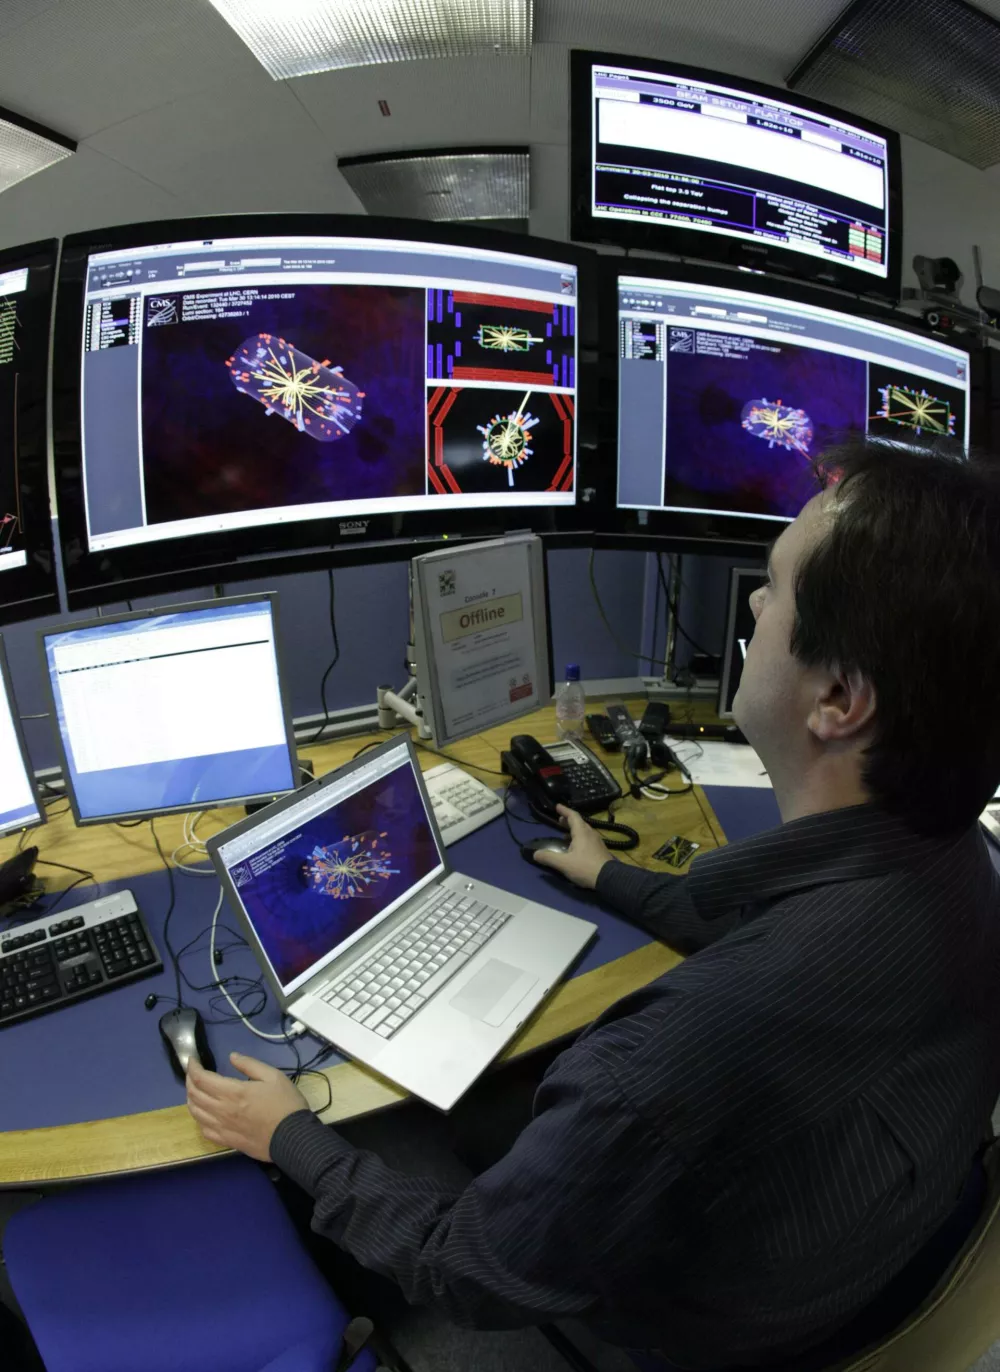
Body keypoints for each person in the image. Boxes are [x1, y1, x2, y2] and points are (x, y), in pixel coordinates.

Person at [187, 437, 1000, 1371]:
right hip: (857, 1265)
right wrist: (607, 874)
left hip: (685, 1336)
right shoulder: (958, 863)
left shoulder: (665, 1059)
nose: (752, 602)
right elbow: (774, 923)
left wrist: (289, 1137)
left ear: (839, 697)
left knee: (387, 1130)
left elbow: (467, 1266)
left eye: (774, 586)